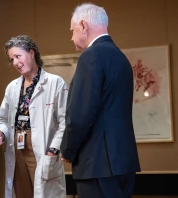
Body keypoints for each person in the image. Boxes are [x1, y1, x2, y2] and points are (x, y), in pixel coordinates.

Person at [60, 3, 141, 198]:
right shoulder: (120, 58)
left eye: (72, 31)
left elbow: (80, 114)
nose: (71, 37)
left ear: (83, 25)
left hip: (97, 164)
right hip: (123, 162)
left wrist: (67, 150)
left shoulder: (91, 56)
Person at [0, 35, 68, 198]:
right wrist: (1, 131)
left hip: (42, 148)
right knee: (22, 193)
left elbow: (65, 121)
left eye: (18, 56)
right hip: (17, 147)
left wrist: (53, 150)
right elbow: (3, 119)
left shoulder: (55, 83)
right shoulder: (12, 87)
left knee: (44, 192)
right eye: (11, 59)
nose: (15, 63)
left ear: (32, 53)